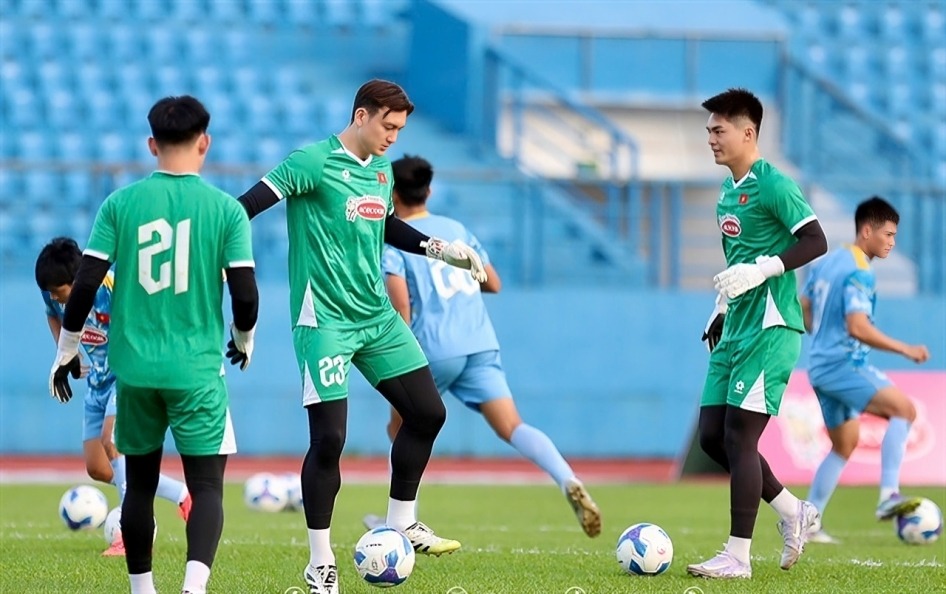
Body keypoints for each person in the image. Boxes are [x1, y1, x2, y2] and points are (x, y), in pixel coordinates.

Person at [236, 79, 487, 594]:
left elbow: (387, 227)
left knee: (428, 414)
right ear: (360, 116)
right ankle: (320, 563)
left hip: (375, 317)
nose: (394, 138)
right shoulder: (309, 162)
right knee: (329, 440)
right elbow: (242, 208)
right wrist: (228, 267)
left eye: (400, 129)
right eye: (388, 126)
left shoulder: (381, 169)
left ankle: (401, 522)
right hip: (323, 322)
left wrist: (444, 248)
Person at [48, 95, 258, 594]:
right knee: (206, 486)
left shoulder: (120, 204)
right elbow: (246, 295)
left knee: (137, 485)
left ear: (151, 144)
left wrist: (65, 353)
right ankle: (193, 587)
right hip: (198, 371)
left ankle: (144, 590)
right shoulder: (226, 211)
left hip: (135, 371)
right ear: (204, 142)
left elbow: (83, 287)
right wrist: (242, 339)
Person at [361, 155, 602, 538]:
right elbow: (493, 283)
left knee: (401, 426)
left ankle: (400, 520)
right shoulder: (455, 228)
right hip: (478, 343)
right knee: (512, 425)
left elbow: (401, 306)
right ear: (429, 190)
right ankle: (566, 477)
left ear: (391, 192)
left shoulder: (396, 238)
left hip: (432, 350)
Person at [687, 88, 828, 580]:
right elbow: (736, 262)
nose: (710, 138)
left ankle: (738, 557)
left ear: (748, 133)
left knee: (739, 438)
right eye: (708, 130)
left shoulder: (775, 185)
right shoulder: (728, 192)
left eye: (718, 129)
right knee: (711, 438)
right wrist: (720, 307)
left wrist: (765, 269)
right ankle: (794, 512)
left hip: (771, 326)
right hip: (737, 325)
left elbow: (817, 240)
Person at [36, 237, 192, 557]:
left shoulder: (112, 287)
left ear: (77, 280)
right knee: (98, 467)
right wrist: (65, 353)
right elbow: (52, 314)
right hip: (98, 379)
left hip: (130, 371)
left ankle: (129, 531)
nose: (53, 296)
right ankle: (182, 494)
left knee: (113, 441)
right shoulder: (52, 293)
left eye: (58, 290)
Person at [800, 196, 928, 544]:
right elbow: (857, 327)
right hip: (844, 364)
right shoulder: (859, 269)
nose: (891, 242)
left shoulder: (828, 262)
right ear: (866, 230)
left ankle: (807, 523)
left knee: (845, 443)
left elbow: (805, 305)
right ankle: (889, 495)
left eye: (895, 236)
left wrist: (823, 338)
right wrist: (906, 348)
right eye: (887, 234)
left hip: (819, 365)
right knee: (905, 409)